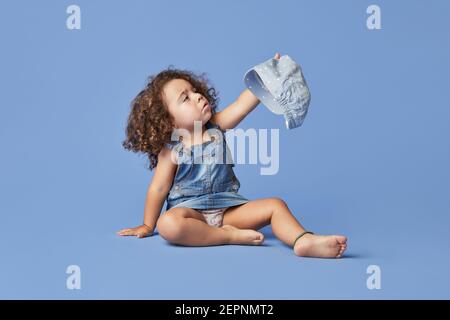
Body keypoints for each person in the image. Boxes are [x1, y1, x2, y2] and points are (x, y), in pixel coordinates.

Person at [117, 53, 347, 258]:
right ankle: (226, 237)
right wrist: (148, 225)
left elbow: (241, 105)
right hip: (191, 213)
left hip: (228, 210)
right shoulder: (170, 151)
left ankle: (303, 240)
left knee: (276, 205)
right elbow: (157, 189)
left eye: (195, 91)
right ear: (166, 120)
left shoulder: (216, 125)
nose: (197, 96)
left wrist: (269, 74)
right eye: (185, 98)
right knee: (168, 224)